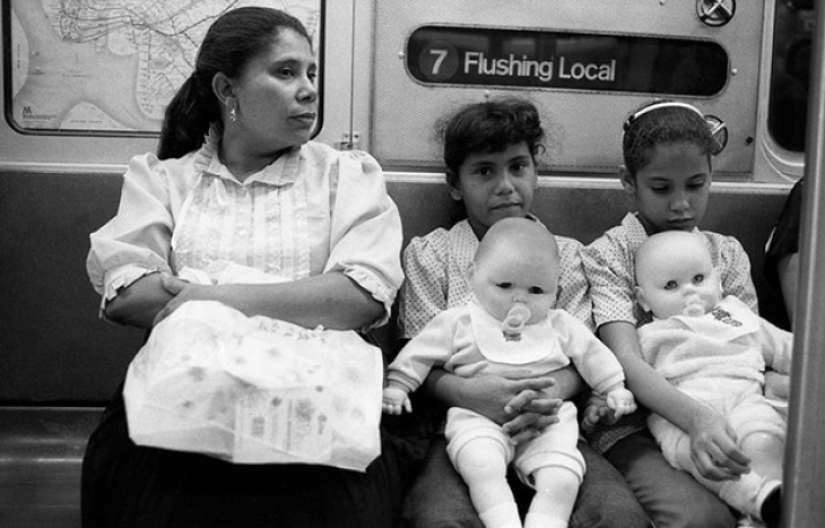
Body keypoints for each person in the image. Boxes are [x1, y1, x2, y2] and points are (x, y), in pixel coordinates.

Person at [83, 7, 409, 527]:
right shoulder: (164, 180)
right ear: (227, 89)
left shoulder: (345, 177)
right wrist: (300, 298)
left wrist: (204, 298)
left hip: (315, 408)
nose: (307, 90)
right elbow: (129, 293)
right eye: (285, 72)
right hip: (184, 403)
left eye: (310, 73)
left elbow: (359, 296)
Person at [398, 97, 653, 528]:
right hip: (458, 425)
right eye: (484, 171)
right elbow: (418, 361)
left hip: (552, 420)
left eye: (518, 167)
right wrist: (471, 394)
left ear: (535, 172)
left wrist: (542, 396)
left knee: (618, 516)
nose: (505, 185)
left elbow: (583, 354)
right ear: (454, 184)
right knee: (438, 519)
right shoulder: (432, 254)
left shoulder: (567, 257)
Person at [385, 217, 636, 528]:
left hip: (549, 422)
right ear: (472, 276)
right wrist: (398, 384)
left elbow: (594, 356)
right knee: (480, 464)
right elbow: (418, 354)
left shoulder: (559, 325)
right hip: (477, 419)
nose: (520, 298)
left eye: (536, 289)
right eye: (504, 285)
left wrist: (615, 387)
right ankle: (502, 521)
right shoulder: (458, 322)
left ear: (555, 291)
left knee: (563, 477)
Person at [580, 100, 757, 528]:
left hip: (733, 406)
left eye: (696, 185)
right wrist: (697, 418)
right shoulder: (611, 255)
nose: (682, 204)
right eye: (662, 188)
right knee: (702, 519)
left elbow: (750, 344)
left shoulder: (725, 254)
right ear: (629, 182)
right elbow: (625, 360)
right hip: (635, 426)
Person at [633, 230, 790, 528]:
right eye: (670, 285)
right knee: (696, 457)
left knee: (764, 439)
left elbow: (785, 347)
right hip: (683, 414)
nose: (689, 292)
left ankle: (773, 501)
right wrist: (607, 396)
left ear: (718, 279)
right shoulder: (649, 335)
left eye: (698, 279)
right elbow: (623, 375)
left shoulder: (737, 314)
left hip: (745, 398)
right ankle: (756, 502)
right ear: (643, 299)